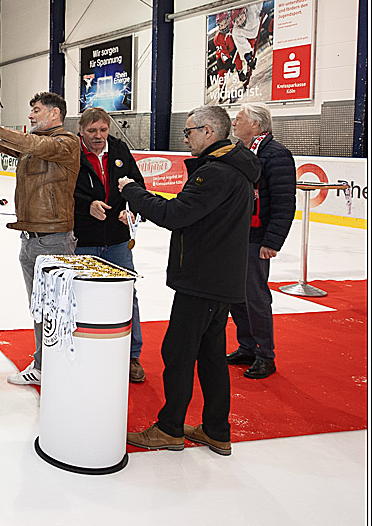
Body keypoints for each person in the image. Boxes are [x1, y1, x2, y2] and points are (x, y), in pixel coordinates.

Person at [119, 105, 259, 456]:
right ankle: (216, 428)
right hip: (218, 278)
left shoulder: (216, 173)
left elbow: (175, 214)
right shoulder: (230, 168)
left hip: (202, 279)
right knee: (210, 354)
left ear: (209, 132)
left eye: (190, 131)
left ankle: (169, 428)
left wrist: (132, 191)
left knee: (178, 353)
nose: (186, 138)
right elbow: (192, 213)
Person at [0, 91, 80, 386]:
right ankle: (45, 365)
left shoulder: (65, 143)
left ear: (54, 114)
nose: (30, 116)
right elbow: (11, 146)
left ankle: (58, 366)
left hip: (54, 238)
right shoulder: (39, 146)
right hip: (32, 236)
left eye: (36, 110)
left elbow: (31, 143)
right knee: (40, 306)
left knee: (55, 307)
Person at [73, 107, 147, 383]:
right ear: (81, 130)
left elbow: (137, 185)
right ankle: (82, 351)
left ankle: (131, 355)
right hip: (83, 240)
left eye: (103, 130)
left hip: (117, 240)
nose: (98, 136)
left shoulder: (119, 150)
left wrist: (131, 210)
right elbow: (63, 191)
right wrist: (86, 205)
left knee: (127, 294)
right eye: (92, 131)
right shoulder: (72, 153)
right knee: (81, 297)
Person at [227, 104, 296, 379]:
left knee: (255, 298)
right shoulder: (240, 153)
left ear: (256, 125)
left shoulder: (276, 154)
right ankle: (247, 347)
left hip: (258, 238)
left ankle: (265, 355)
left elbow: (283, 203)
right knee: (237, 297)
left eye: (239, 119)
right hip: (235, 236)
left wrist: (272, 241)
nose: (234, 123)